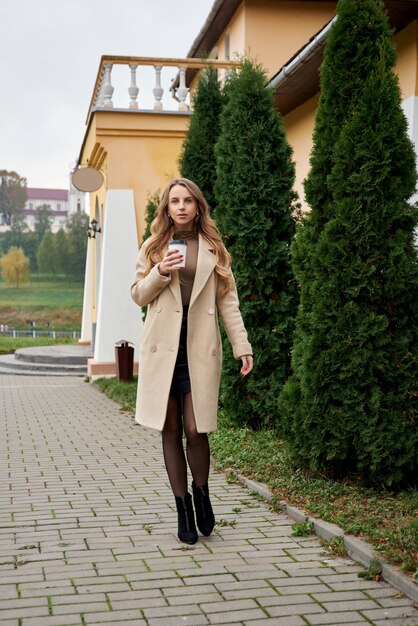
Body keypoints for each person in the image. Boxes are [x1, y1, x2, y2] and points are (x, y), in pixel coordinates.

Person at [131, 178, 253, 544]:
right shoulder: (154, 247)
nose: (181, 206)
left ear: (198, 206)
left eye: (188, 201)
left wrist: (241, 345)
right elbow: (138, 295)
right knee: (170, 431)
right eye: (174, 201)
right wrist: (160, 271)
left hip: (199, 350)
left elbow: (227, 301)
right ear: (166, 209)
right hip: (161, 352)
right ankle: (182, 506)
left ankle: (202, 493)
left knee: (196, 429)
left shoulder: (214, 248)